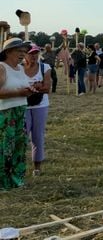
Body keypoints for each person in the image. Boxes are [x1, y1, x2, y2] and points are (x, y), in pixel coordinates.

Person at [0, 38, 37, 189]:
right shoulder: (1, 67)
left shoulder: (21, 69)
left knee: (19, 147)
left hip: (20, 110)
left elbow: (23, 88)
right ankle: (3, 182)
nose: (23, 55)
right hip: (5, 113)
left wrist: (30, 91)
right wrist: (19, 92)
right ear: (8, 52)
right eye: (19, 51)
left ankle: (16, 180)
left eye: (24, 51)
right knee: (5, 147)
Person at [23, 43, 52, 176]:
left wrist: (36, 87)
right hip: (22, 106)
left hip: (40, 105)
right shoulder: (18, 68)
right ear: (24, 55)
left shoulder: (44, 67)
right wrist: (36, 86)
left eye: (36, 52)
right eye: (30, 53)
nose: (33, 55)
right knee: (22, 136)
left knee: (37, 136)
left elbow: (47, 88)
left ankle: (37, 167)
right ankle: (19, 164)